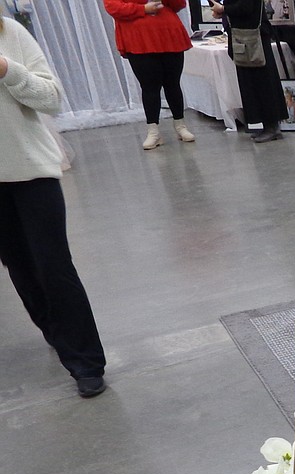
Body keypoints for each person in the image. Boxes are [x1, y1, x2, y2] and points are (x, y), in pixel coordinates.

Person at [0, 15, 107, 397]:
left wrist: (7, 69)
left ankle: (86, 361)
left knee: (53, 264)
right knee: (21, 268)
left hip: (32, 171)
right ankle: (56, 332)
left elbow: (52, 98)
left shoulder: (10, 33)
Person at [103, 0, 195, 150]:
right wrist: (142, 9)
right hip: (138, 38)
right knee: (149, 87)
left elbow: (179, 4)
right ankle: (153, 131)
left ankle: (180, 125)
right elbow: (113, 7)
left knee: (173, 84)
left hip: (168, 34)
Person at [210, 0, 285, 142]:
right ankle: (265, 124)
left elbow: (247, 6)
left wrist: (224, 8)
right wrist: (223, 11)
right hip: (242, 35)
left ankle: (272, 125)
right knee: (251, 83)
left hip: (254, 37)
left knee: (263, 82)